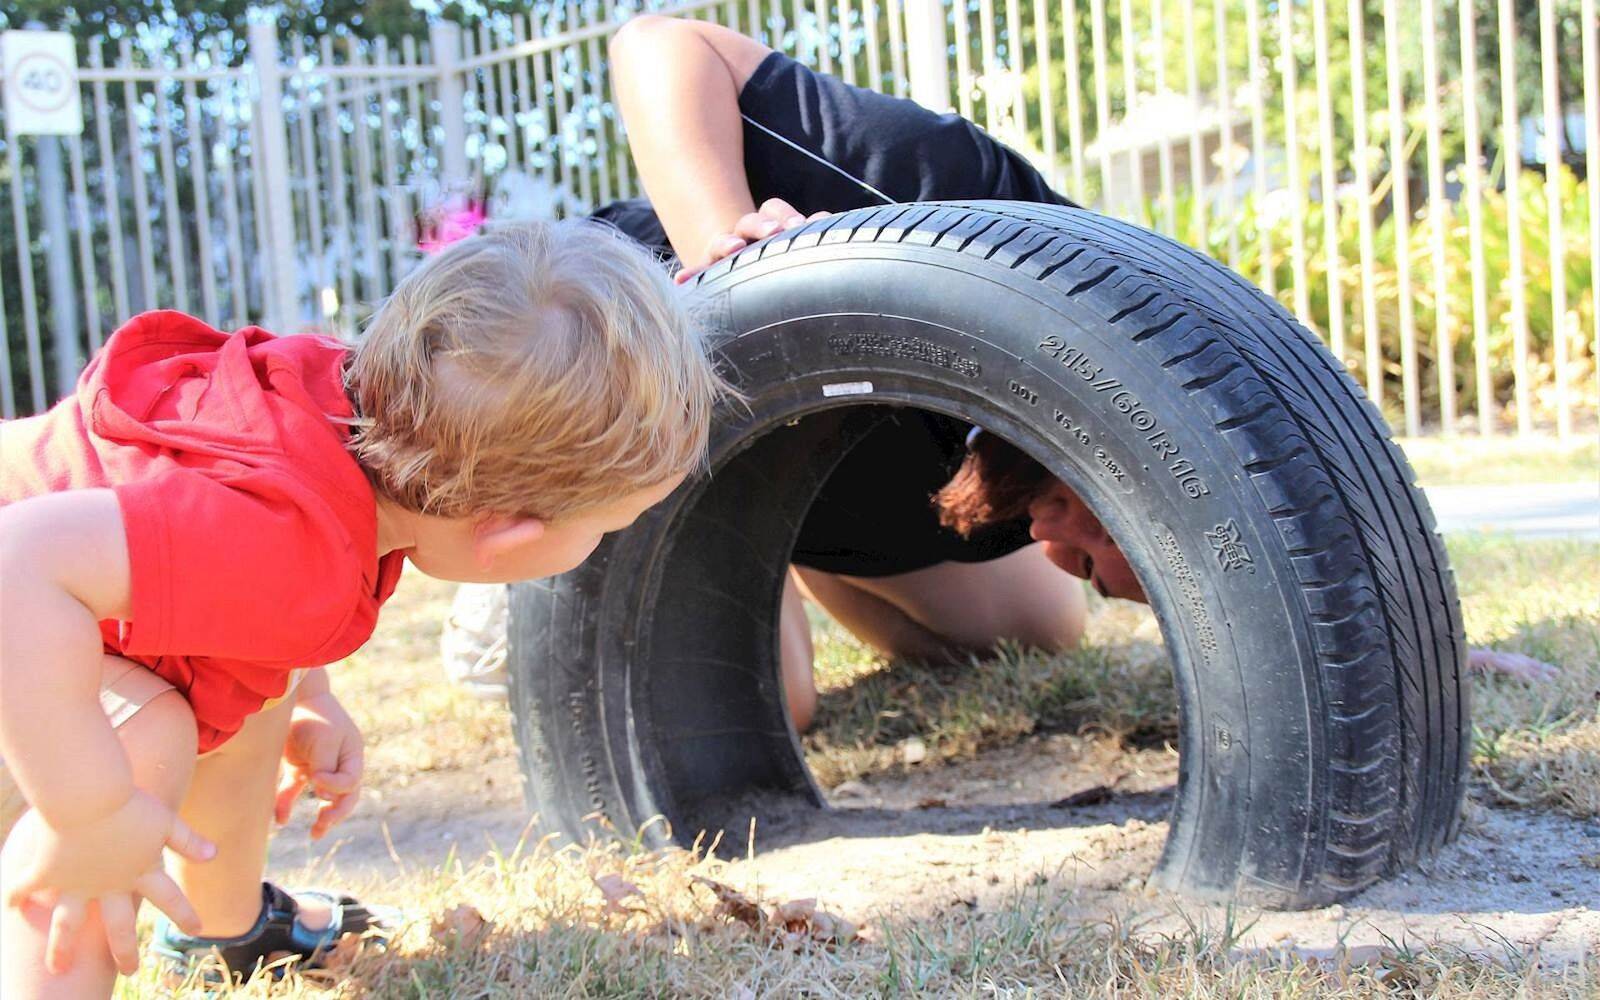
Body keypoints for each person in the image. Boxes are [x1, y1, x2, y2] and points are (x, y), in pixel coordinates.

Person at [592, 14, 1556, 723]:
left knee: (1039, 629)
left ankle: (783, 543)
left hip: (839, 468)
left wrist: (1416, 643)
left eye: (1091, 574)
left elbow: (1291, 533)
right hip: (648, 381)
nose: (1064, 555)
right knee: (779, 709)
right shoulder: (969, 213)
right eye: (1100, 553)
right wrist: (727, 252)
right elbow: (659, 45)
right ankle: (637, 544)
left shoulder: (1016, 500)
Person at [0, 219, 726, 997]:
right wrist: (90, 811)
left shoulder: (339, 409)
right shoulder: (289, 549)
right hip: (26, 621)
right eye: (609, 527)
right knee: (144, 740)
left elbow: (240, 547)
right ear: (508, 536)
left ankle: (219, 930)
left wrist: (310, 696)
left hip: (53, 621)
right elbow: (17, 563)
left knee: (250, 685)